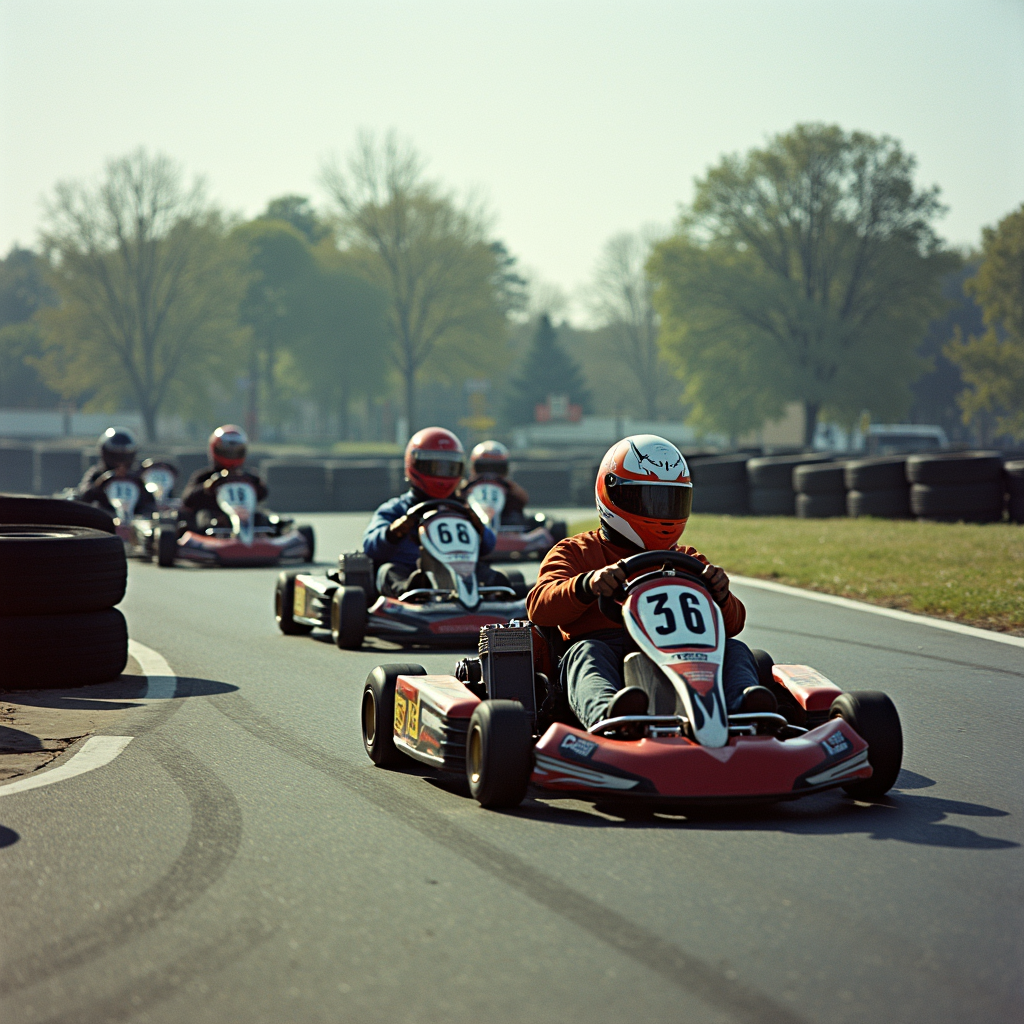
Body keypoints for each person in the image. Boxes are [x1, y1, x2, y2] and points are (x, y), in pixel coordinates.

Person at [526, 434, 767, 730]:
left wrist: (721, 594)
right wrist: (587, 585)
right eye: (647, 500)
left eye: (671, 501)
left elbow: (732, 625)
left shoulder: (688, 559)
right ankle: (611, 717)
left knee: (735, 650)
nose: (661, 514)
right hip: (607, 651)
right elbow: (539, 607)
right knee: (586, 652)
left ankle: (742, 712)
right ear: (611, 493)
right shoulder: (575, 551)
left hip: (684, 655)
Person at [363, 427, 503, 597]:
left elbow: (488, 546)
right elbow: (370, 546)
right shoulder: (396, 509)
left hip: (459, 570)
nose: (441, 473)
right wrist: (396, 531)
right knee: (388, 571)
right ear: (413, 464)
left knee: (491, 574)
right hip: (409, 570)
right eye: (433, 467)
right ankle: (412, 592)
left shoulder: (462, 510)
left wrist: (478, 527)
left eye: (448, 467)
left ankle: (506, 596)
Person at [181, 425, 268, 530]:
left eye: (236, 451)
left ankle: (264, 536)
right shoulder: (203, 476)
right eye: (227, 451)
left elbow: (263, 493)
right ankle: (216, 537)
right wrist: (208, 487)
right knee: (204, 516)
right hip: (214, 517)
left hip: (244, 515)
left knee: (262, 517)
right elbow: (187, 499)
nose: (231, 454)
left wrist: (251, 485)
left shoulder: (249, 476)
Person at [76, 427, 156, 518]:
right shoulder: (96, 474)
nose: (120, 461)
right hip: (104, 518)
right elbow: (83, 495)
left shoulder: (138, 477)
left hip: (135, 520)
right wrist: (100, 485)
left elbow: (151, 502)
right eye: (116, 456)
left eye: (124, 456)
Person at [459, 440, 530, 521]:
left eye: (496, 468)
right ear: (474, 468)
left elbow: (522, 501)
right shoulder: (465, 490)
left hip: (505, 528)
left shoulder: (511, 492)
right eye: (483, 467)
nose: (489, 474)